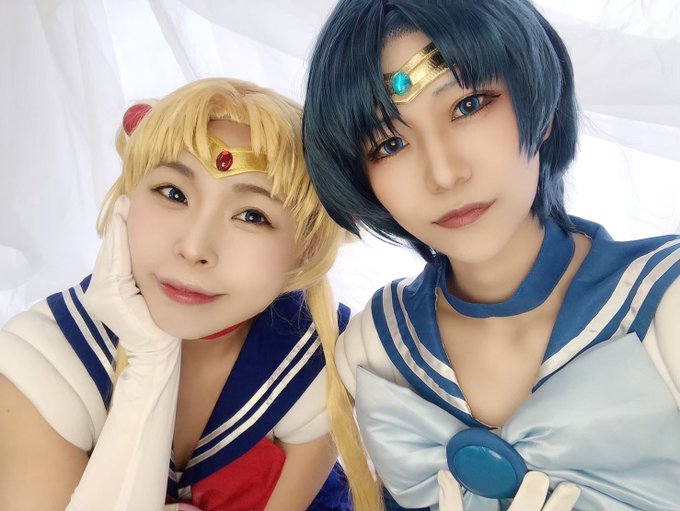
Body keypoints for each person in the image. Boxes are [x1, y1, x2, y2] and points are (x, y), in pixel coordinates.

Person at [302, 1, 680, 510]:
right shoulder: (374, 349)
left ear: (540, 107)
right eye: (389, 144)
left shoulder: (666, 303)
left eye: (468, 106)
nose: (444, 173)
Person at [0, 78, 379, 511]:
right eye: (173, 193)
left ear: (305, 249)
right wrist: (150, 360)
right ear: (127, 199)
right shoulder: (45, 360)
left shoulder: (319, 355)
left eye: (252, 216)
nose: (194, 247)